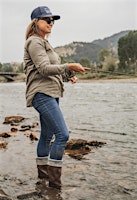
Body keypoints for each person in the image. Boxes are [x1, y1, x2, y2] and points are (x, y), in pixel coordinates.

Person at [24, 6, 90, 189]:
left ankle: (43, 178)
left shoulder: (45, 43)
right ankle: (54, 184)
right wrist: (69, 65)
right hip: (42, 94)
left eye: (53, 20)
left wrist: (68, 75)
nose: (51, 23)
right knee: (62, 134)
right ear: (36, 22)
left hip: (51, 93)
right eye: (48, 20)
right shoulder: (34, 42)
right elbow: (44, 69)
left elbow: (53, 69)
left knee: (47, 135)